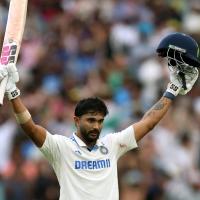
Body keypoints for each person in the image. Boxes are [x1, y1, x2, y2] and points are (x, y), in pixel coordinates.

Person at [0, 32, 199, 200]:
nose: (96, 127)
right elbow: (30, 127)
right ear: (76, 120)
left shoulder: (111, 145)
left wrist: (172, 89)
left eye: (100, 121)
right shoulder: (61, 148)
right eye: (90, 121)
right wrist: (13, 93)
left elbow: (148, 122)